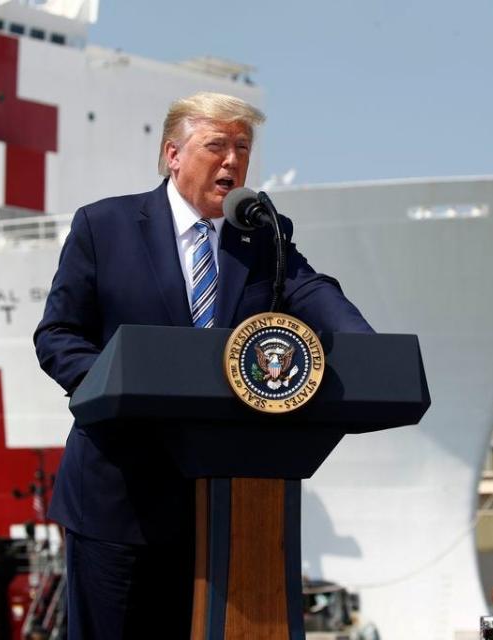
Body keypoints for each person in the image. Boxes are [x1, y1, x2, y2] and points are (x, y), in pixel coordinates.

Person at [34, 92, 372, 639]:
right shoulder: (105, 225)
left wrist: (365, 347)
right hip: (119, 500)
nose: (233, 161)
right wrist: (112, 384)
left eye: (242, 147)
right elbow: (58, 335)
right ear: (172, 153)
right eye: (217, 145)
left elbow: (310, 290)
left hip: (226, 509)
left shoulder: (263, 234)